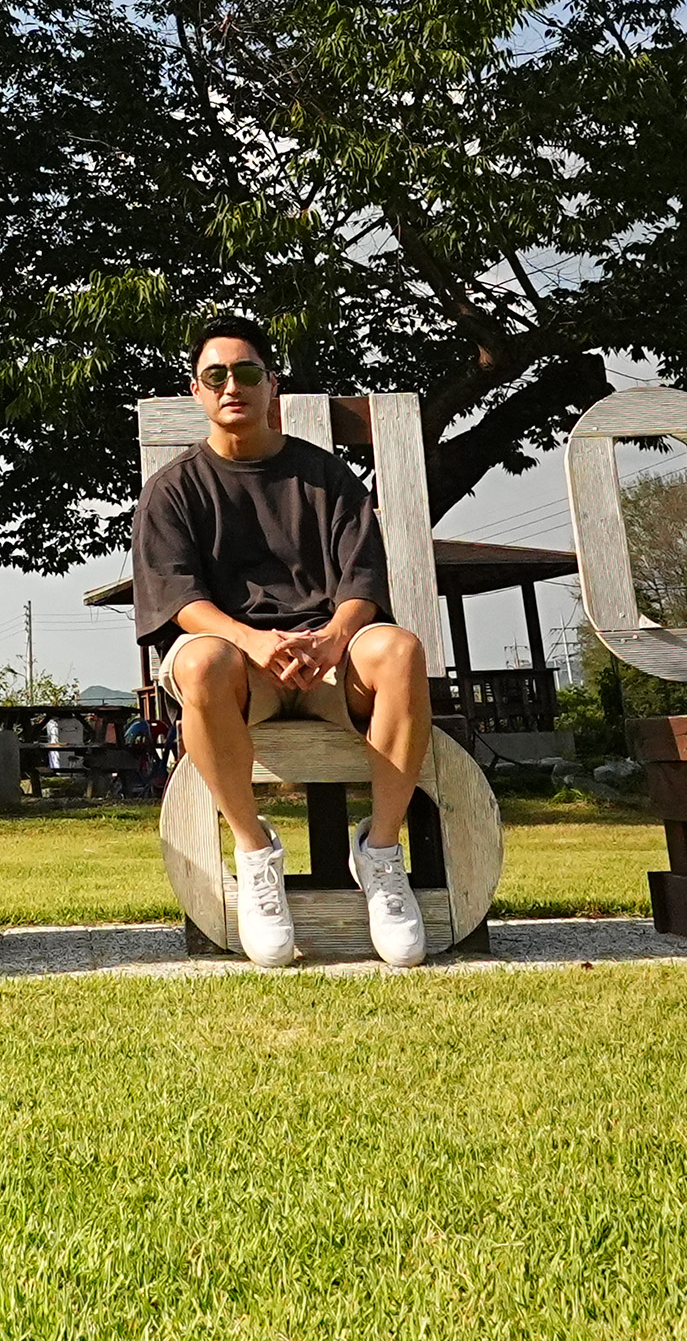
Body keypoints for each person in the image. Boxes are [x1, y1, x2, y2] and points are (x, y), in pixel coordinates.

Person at [130, 313, 431, 968]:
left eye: (246, 372)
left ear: (272, 384)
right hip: (241, 672)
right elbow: (178, 602)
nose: (231, 386)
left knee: (400, 650)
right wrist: (253, 642)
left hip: (330, 662)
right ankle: (256, 855)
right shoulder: (173, 489)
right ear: (196, 391)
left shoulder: (326, 478)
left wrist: (333, 638)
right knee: (201, 662)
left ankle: (381, 855)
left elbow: (363, 579)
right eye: (215, 375)